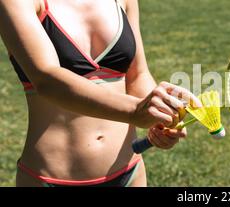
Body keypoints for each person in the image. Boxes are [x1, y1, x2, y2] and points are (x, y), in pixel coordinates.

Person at [0, 0, 201, 187]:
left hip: (129, 172)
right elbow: (47, 79)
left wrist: (162, 115)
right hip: (50, 177)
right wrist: (134, 111)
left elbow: (137, 74)